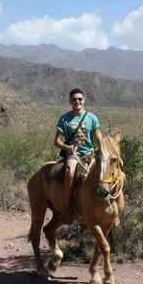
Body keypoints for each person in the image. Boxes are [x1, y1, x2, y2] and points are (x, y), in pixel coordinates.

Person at [54, 88, 102, 218]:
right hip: (74, 155)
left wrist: (102, 146)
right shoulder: (64, 119)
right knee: (70, 171)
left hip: (90, 154)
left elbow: (98, 136)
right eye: (74, 99)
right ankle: (67, 206)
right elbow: (57, 141)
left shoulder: (92, 118)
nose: (77, 101)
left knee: (107, 172)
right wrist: (66, 147)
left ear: (84, 100)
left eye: (80, 99)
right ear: (70, 101)